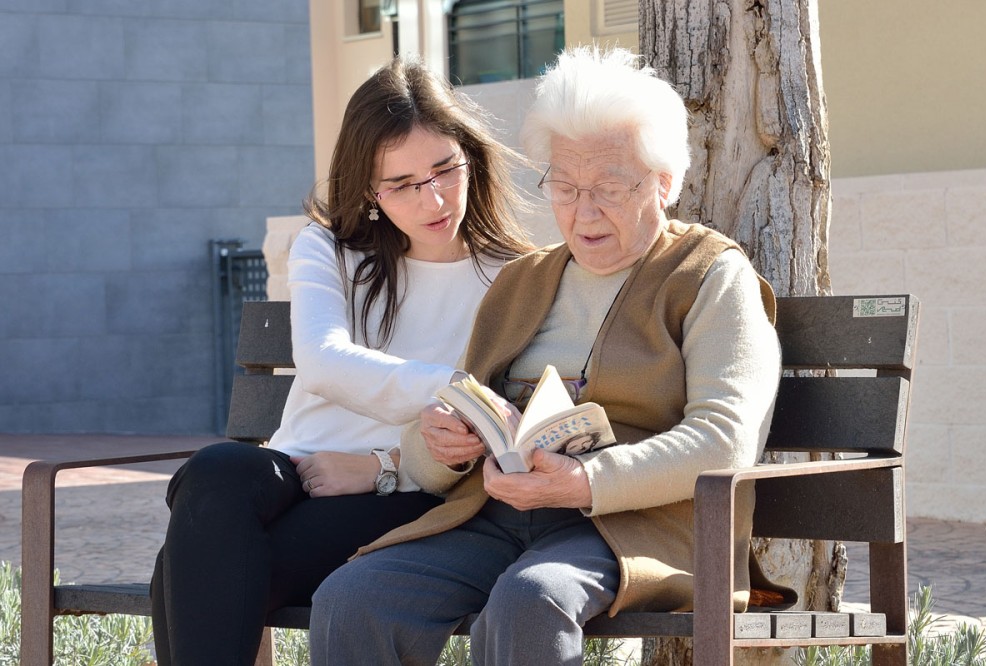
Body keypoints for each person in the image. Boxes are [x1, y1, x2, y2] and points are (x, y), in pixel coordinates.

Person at [309, 46, 795, 666]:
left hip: (639, 525)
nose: (582, 211)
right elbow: (450, 439)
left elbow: (725, 439)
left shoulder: (709, 274)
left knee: (533, 597)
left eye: (609, 188)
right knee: (354, 597)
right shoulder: (524, 281)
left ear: (665, 184)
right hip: (499, 517)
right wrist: (439, 443)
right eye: (564, 186)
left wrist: (585, 481)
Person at [149, 56, 533, 666]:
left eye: (443, 169)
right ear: (366, 190)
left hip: (406, 499)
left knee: (190, 562)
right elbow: (324, 362)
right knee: (218, 470)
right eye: (402, 183)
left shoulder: (514, 276)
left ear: (471, 157)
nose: (432, 198)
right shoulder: (328, 248)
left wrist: (383, 466)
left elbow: (502, 431)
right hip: (289, 476)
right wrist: (456, 387)